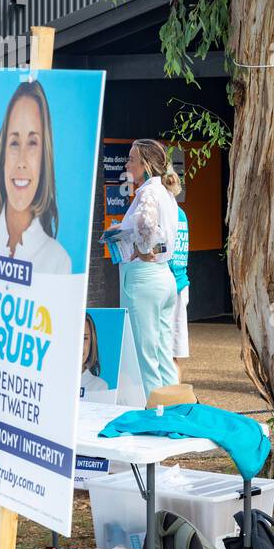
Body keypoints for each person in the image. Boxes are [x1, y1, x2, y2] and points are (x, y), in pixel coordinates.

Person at [0, 80, 71, 274]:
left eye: (32, 143)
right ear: (1, 154)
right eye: (14, 143)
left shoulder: (58, 261)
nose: (21, 161)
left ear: (44, 158)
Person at [112, 139, 180, 394]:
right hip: (163, 277)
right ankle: (175, 409)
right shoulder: (166, 194)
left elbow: (148, 227)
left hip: (144, 280)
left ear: (146, 164)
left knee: (146, 353)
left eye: (131, 159)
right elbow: (163, 236)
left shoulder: (148, 193)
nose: (127, 163)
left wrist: (141, 249)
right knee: (162, 353)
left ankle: (156, 412)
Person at [162, 171, 191, 380]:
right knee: (173, 354)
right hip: (182, 282)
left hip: (170, 286)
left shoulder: (167, 214)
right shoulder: (181, 213)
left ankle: (173, 399)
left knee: (167, 353)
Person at [80, 312, 108, 399]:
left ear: (91, 343)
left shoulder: (100, 387)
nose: (79, 345)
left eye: (85, 338)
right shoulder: (50, 381)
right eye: (74, 337)